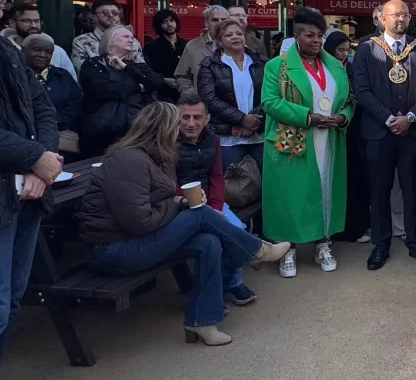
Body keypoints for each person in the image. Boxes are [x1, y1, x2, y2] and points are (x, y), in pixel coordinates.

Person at [76, 102, 289, 346]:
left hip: (135, 241)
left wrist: (178, 200)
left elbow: (157, 201)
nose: (183, 128)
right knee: (200, 214)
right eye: (177, 123)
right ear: (162, 128)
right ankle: (256, 251)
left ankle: (203, 322)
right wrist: (180, 205)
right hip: (112, 250)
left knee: (208, 242)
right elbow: (139, 221)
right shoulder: (128, 160)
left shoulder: (158, 156)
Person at [261, 8, 354, 278]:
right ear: (296, 36)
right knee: (291, 194)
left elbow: (349, 100)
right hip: (293, 138)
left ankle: (322, 244)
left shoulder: (335, 65)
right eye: (309, 35)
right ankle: (286, 248)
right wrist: (308, 117)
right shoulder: (276, 67)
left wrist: (343, 117)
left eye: (320, 36)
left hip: (329, 138)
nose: (316, 41)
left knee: (324, 189)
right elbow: (269, 102)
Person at [0, 0, 61, 359]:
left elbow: (45, 109)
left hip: (26, 191)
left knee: (12, 301)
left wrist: (41, 164)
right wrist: (34, 157)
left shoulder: (8, 52)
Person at [352, 0, 416, 270]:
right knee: (379, 191)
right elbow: (361, 90)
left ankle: (415, 241)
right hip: (377, 132)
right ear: (382, 18)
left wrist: (409, 117)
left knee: (412, 190)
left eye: (406, 15)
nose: (402, 19)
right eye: (396, 15)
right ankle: (380, 244)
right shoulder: (366, 49)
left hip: (411, 132)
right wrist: (387, 118)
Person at [175, 95, 258, 306]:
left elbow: (216, 176)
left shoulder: (214, 140)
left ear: (207, 119)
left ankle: (232, 283)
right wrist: (192, 204)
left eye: (197, 117)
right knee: (212, 239)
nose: (191, 123)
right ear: (176, 118)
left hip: (209, 201)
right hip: (177, 204)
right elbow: (168, 181)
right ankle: (214, 291)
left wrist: (215, 206)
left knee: (236, 228)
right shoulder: (167, 142)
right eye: (185, 117)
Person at [79, 26, 165, 157]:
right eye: (126, 37)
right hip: (104, 133)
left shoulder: (136, 66)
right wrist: (139, 87)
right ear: (110, 41)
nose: (131, 40)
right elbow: (103, 90)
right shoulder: (93, 65)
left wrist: (126, 68)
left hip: (139, 131)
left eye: (132, 37)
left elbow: (157, 82)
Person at [197, 20, 267, 173]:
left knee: (265, 186)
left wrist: (254, 120)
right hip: (228, 137)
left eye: (239, 34)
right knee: (233, 188)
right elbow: (209, 99)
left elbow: (271, 94)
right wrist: (242, 119)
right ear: (220, 41)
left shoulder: (261, 62)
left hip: (259, 135)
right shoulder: (209, 66)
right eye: (229, 35)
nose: (235, 37)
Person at [323, 31, 372, 245]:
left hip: (353, 131)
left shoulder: (352, 70)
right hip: (326, 128)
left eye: (346, 50)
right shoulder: (322, 70)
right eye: (339, 50)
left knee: (354, 179)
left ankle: (356, 226)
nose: (343, 54)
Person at [23, 34, 81, 134]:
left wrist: (56, 122)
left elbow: (75, 104)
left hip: (59, 130)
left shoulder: (63, 76)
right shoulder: (14, 75)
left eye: (48, 52)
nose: (42, 55)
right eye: (37, 49)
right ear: (23, 50)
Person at [70, 0, 145, 72]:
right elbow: (81, 71)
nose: (111, 16)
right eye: (105, 13)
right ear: (95, 18)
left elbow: (143, 70)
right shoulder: (82, 41)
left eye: (115, 13)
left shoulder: (132, 41)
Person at [5, 4, 77, 80]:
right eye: (26, 21)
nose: (33, 25)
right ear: (12, 23)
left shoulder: (58, 51)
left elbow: (72, 82)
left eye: (37, 21)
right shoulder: (5, 51)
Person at [174, 5, 229, 96]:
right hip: (202, 104)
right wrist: (192, 95)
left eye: (223, 20)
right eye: (215, 20)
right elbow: (182, 76)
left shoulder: (236, 46)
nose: (220, 23)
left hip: (230, 104)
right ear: (206, 23)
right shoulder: (192, 46)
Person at [142, 8, 187, 101]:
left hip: (185, 93)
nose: (169, 24)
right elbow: (147, 71)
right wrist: (164, 80)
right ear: (159, 26)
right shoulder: (150, 48)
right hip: (161, 95)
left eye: (171, 20)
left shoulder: (188, 45)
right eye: (164, 22)